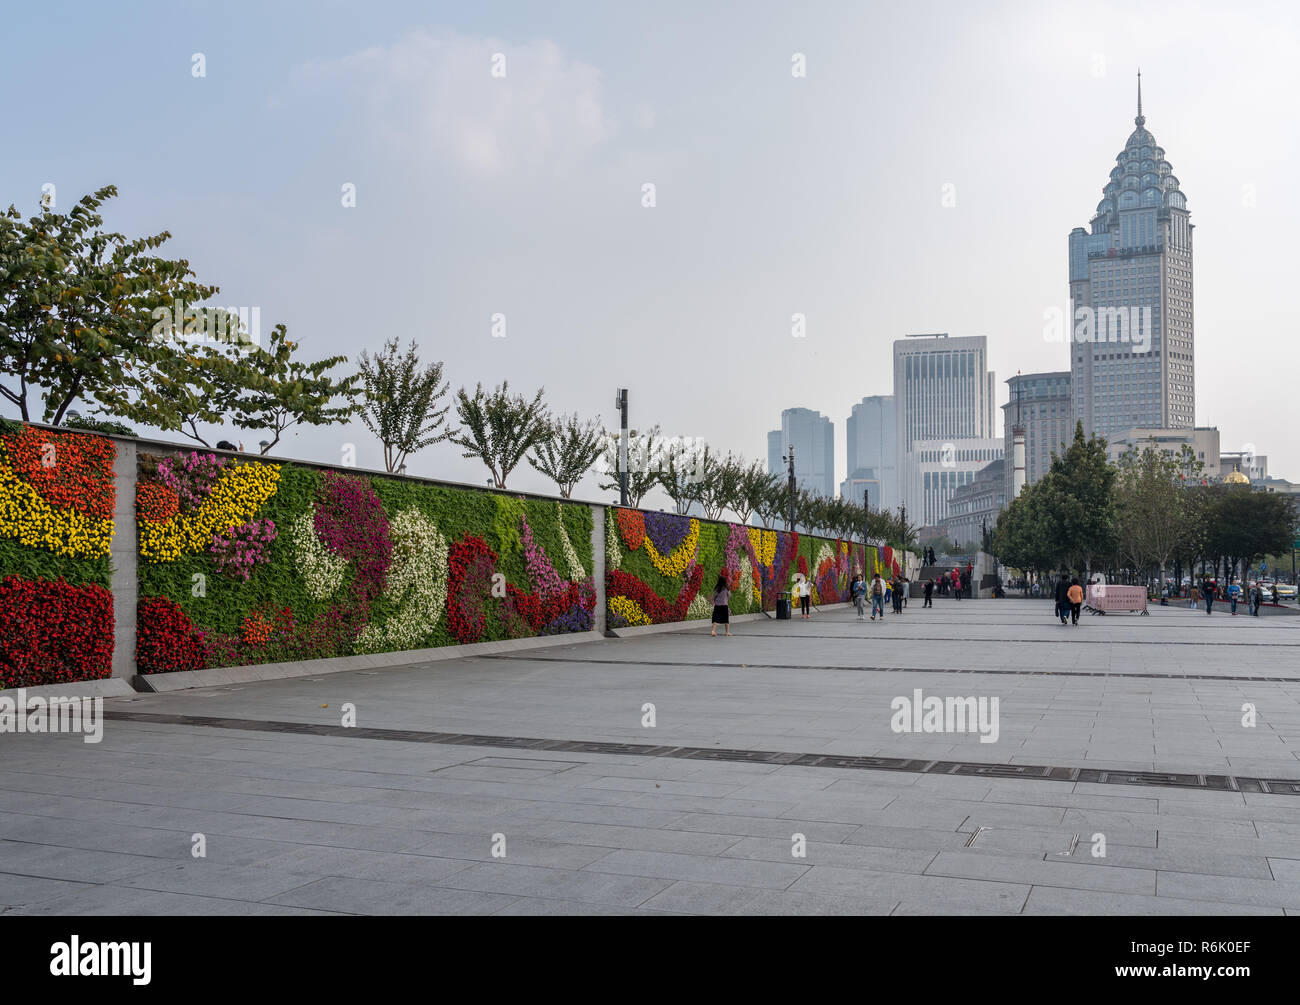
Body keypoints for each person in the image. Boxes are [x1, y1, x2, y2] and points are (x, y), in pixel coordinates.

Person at [710, 572, 732, 637]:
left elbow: (714, 597)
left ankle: (713, 631)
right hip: (724, 606)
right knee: (726, 620)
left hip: (717, 606)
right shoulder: (726, 589)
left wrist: (714, 600)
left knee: (716, 619)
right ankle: (727, 632)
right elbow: (729, 596)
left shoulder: (717, 589)